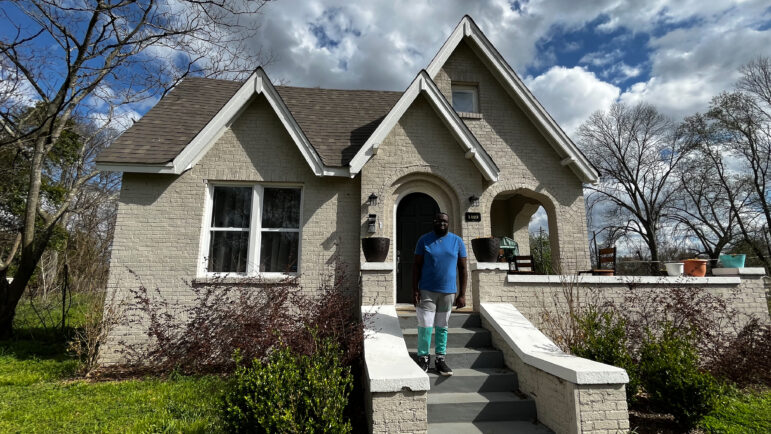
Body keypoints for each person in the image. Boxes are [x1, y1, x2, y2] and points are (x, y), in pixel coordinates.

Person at [412, 212, 467, 376]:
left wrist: (462, 293)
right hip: (427, 290)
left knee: (442, 326)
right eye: (438, 220)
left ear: (448, 223)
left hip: (448, 292)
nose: (441, 223)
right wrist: (414, 290)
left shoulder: (457, 241)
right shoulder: (424, 240)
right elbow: (416, 266)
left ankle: (440, 359)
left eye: (444, 221)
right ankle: (423, 357)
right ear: (434, 222)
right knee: (425, 325)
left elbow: (463, 269)